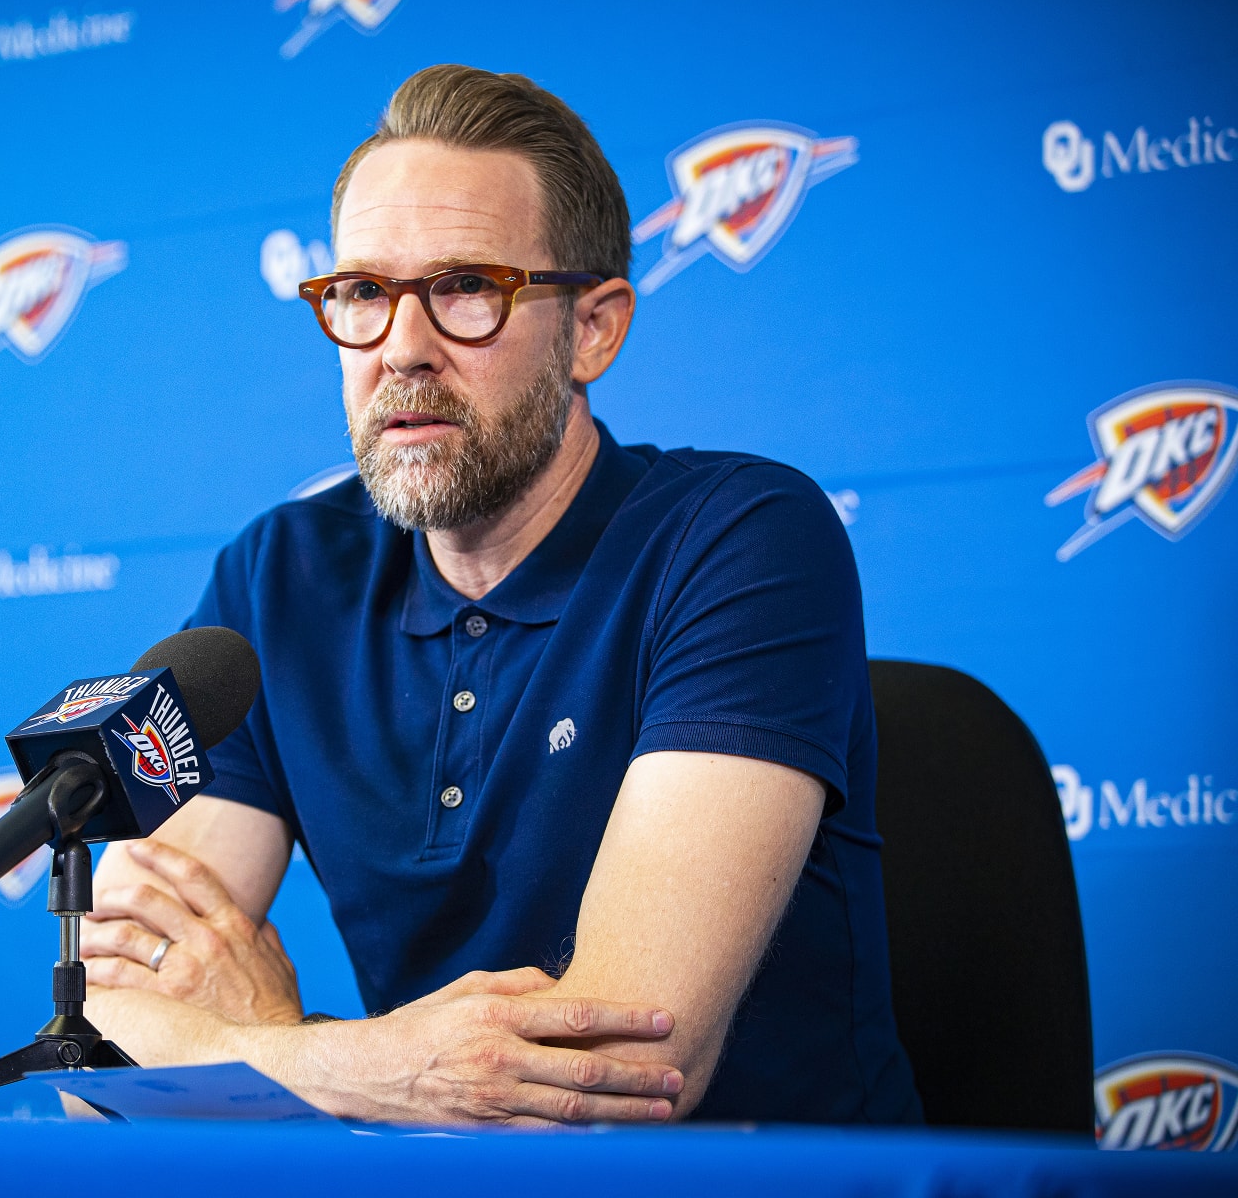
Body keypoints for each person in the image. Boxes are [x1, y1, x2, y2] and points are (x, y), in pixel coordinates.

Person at [79, 64, 921, 1128]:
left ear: (596, 329)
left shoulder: (741, 537)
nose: (403, 349)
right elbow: (103, 1050)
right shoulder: (274, 579)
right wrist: (359, 1065)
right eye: (363, 294)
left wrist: (254, 1052)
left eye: (468, 288)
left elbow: (615, 1076)